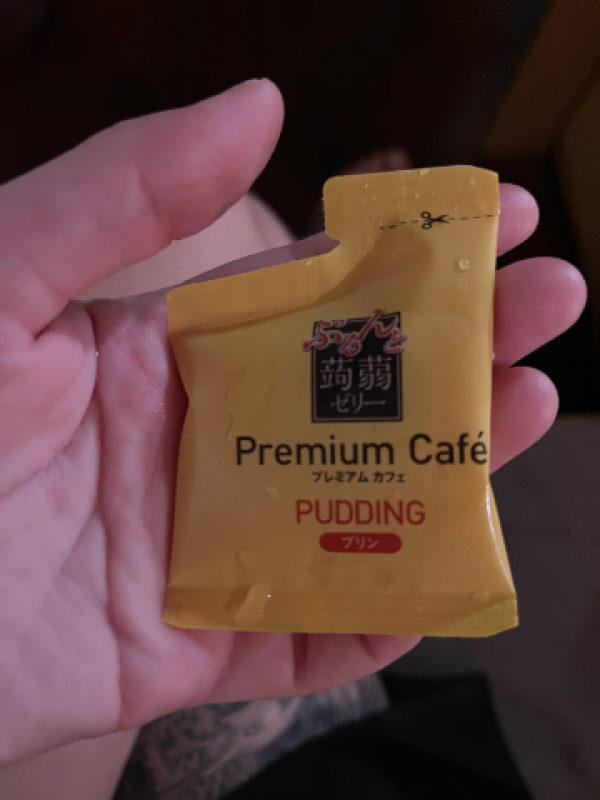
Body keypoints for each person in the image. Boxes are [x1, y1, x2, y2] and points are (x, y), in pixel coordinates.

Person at [0, 79, 587, 797]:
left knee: (221, 236)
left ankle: (326, 262)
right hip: (363, 758)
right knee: (234, 245)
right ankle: (337, 267)